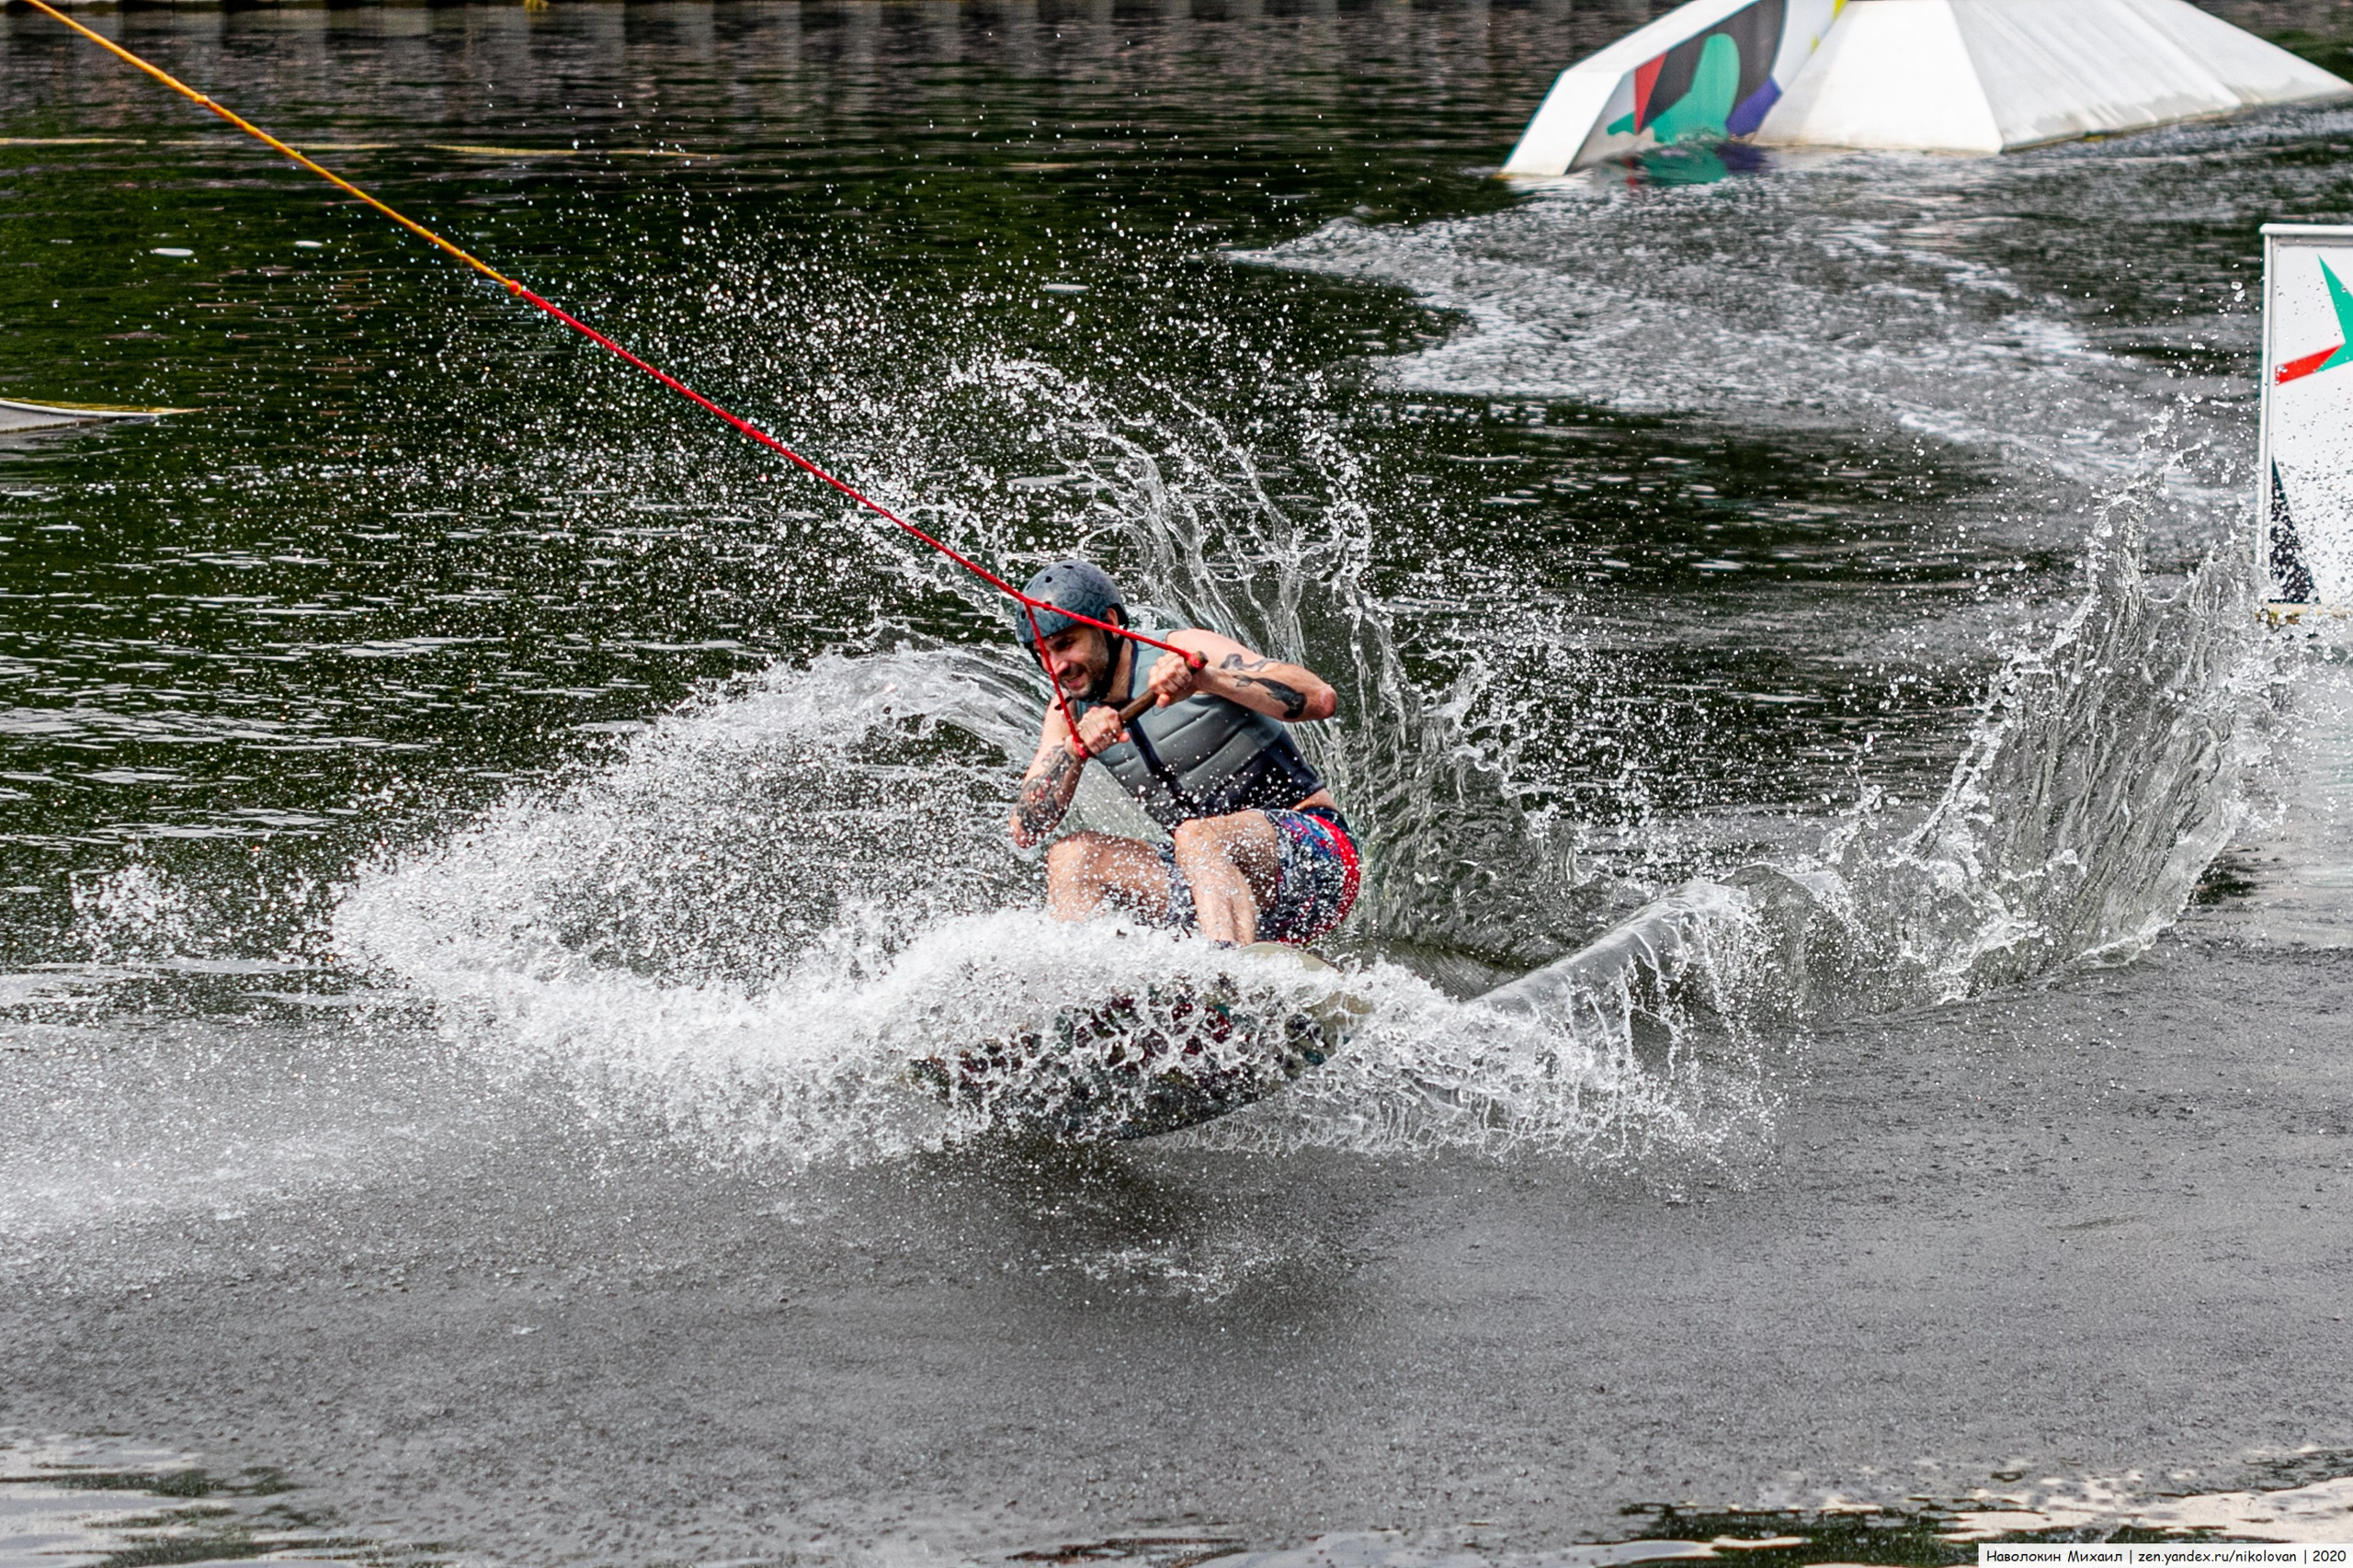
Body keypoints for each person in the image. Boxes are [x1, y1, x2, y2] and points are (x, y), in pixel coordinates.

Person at [1006, 560, 1359, 948]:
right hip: (1209, 883)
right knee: (1072, 857)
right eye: (1042, 653)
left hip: (1316, 860)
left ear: (1108, 622)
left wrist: (1208, 680)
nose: (1056, 667)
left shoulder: (1185, 649)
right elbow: (1025, 829)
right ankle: (1097, 985)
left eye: (1065, 645)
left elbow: (1320, 699)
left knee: (1195, 835)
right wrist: (1075, 751)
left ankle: (1228, 974)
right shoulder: (1067, 716)